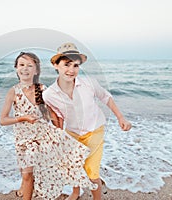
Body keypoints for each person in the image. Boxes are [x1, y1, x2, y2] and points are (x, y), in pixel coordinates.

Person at [0, 52, 97, 200]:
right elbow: (3, 120)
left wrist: (59, 131)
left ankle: (75, 192)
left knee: (66, 159)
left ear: (36, 70)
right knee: (26, 172)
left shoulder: (41, 89)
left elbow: (52, 112)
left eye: (29, 65)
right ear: (16, 68)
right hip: (23, 139)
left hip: (42, 135)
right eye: (21, 65)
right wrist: (23, 118)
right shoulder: (13, 92)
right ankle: (25, 186)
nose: (25, 69)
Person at [42, 42, 132, 200]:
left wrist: (120, 117)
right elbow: (58, 117)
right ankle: (75, 193)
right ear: (56, 65)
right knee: (73, 167)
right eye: (66, 64)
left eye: (75, 65)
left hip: (94, 131)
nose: (71, 70)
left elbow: (106, 97)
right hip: (72, 133)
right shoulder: (49, 94)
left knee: (92, 172)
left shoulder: (89, 83)